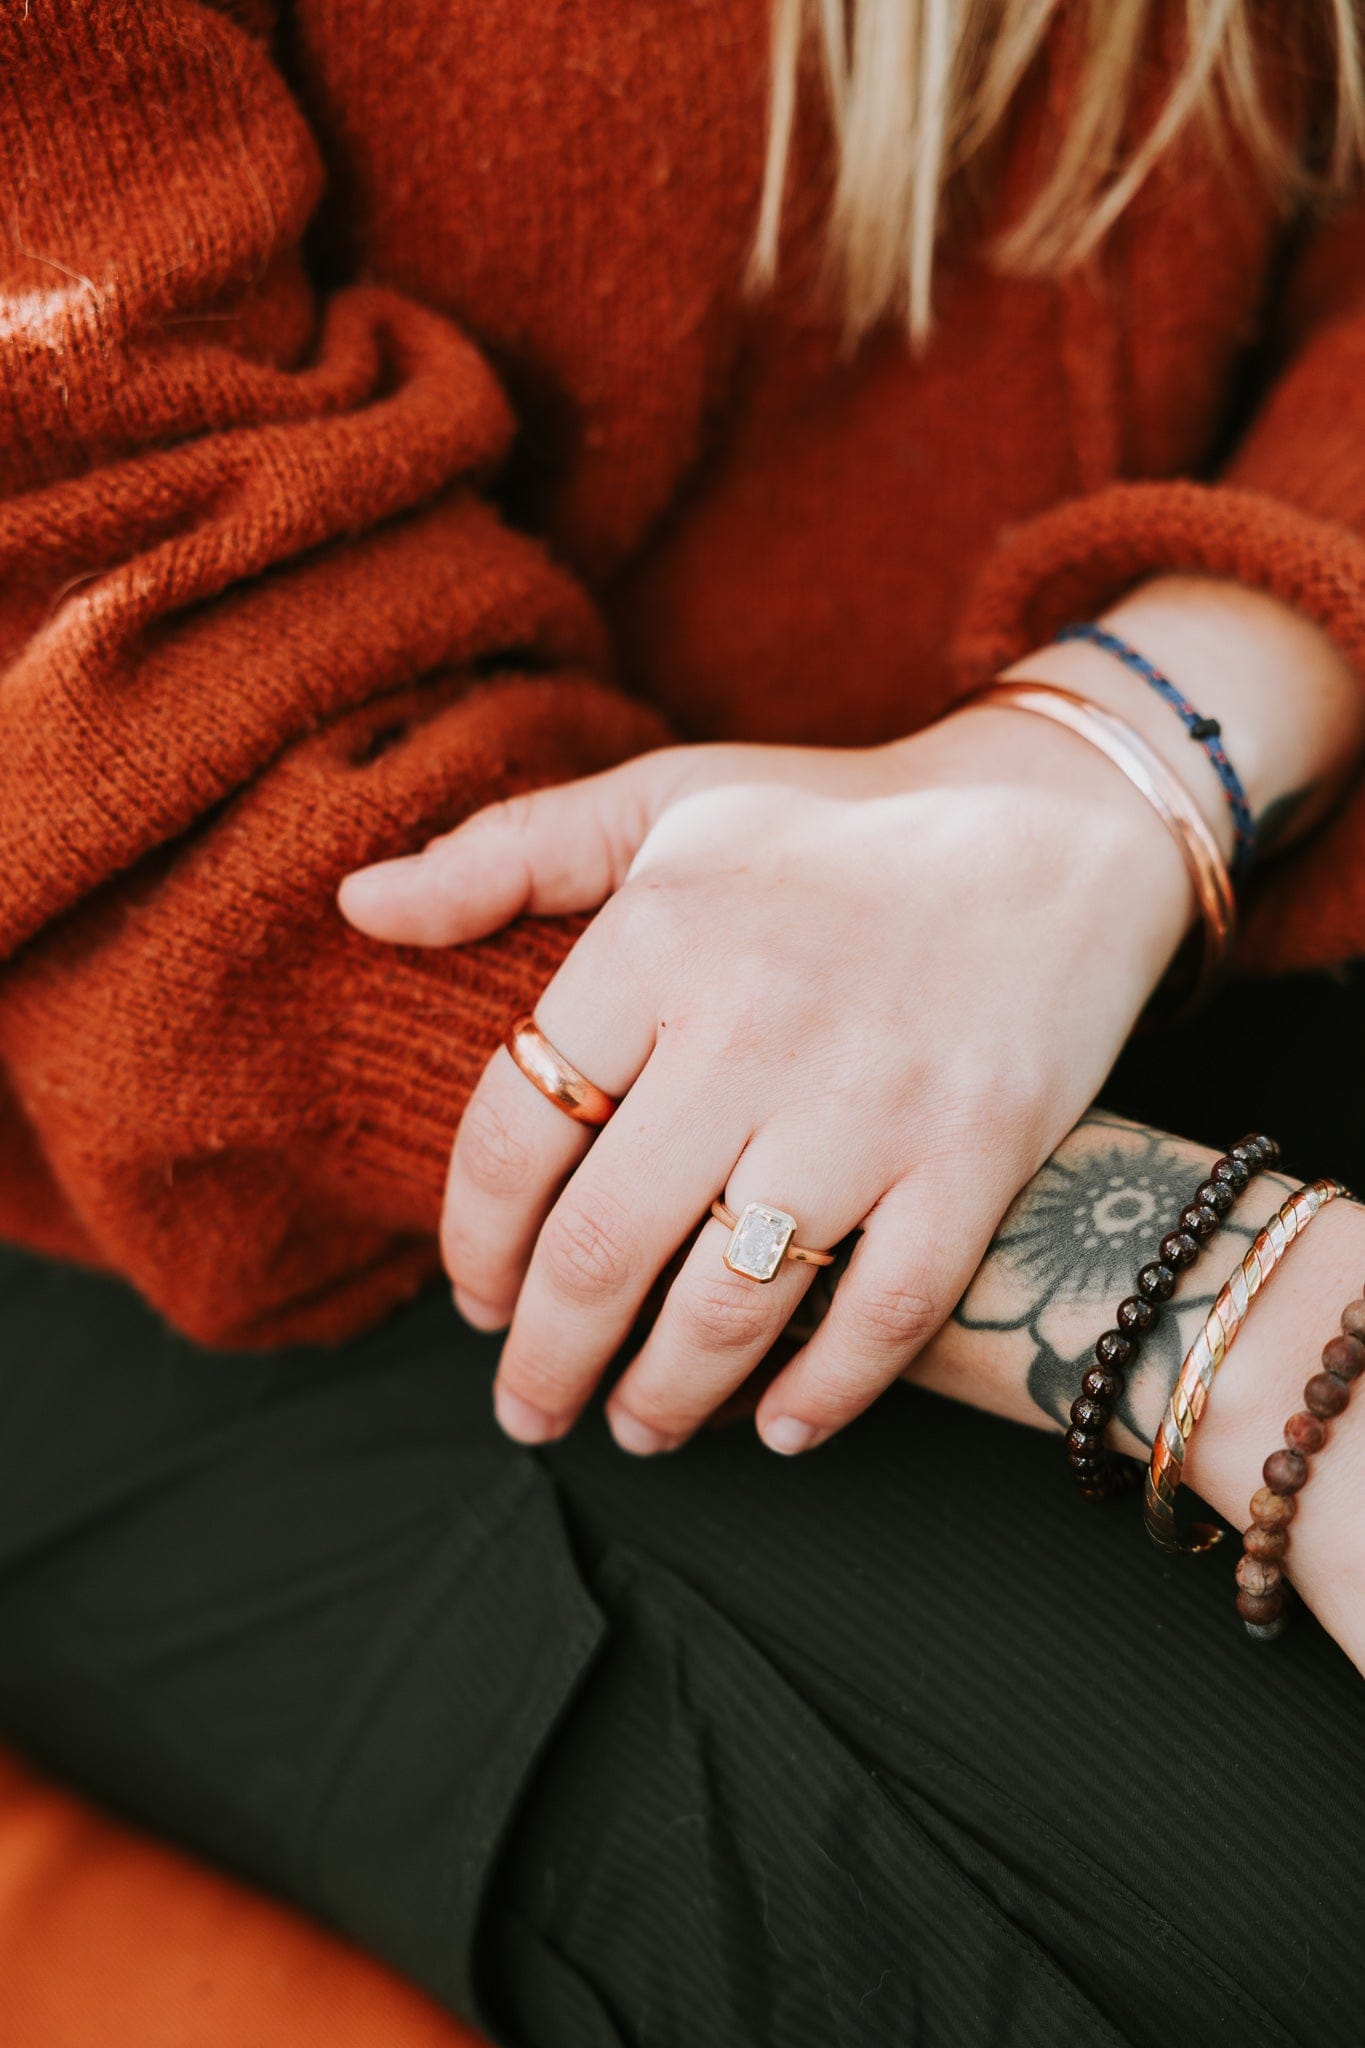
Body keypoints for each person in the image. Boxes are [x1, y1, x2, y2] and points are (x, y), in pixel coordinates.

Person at [3, 0, 1365, 2041]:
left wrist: (1116, 754)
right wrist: (1266, 1332)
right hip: (214, 1129)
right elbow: (115, 716)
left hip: (1187, 820)